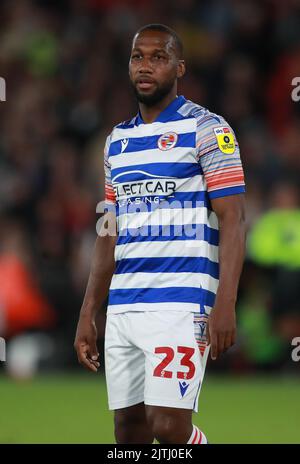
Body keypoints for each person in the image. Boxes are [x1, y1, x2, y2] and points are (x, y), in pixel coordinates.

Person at [74, 23, 246, 444]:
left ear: (179, 67)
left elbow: (234, 219)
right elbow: (108, 230)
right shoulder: (117, 141)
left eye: (158, 57)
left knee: (169, 428)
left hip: (182, 302)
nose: (145, 66)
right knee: (128, 431)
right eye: (138, 57)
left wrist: (226, 302)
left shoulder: (208, 129)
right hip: (125, 303)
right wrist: (88, 311)